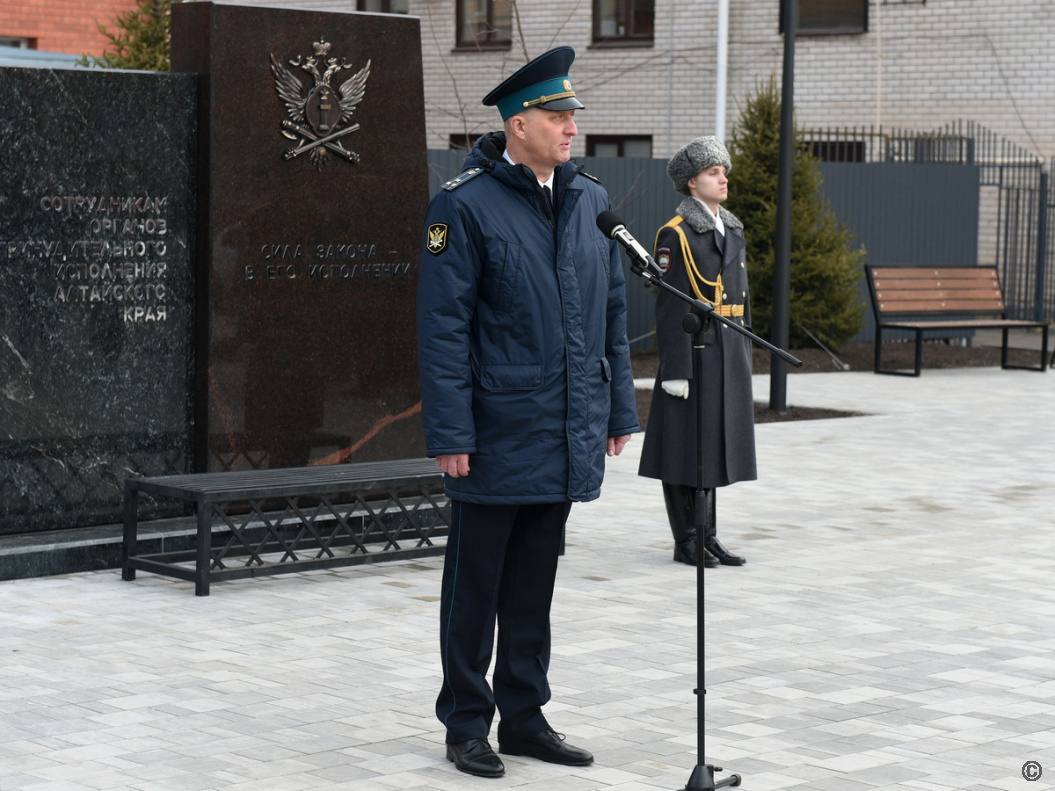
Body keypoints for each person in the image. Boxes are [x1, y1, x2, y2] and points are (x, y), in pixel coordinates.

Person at [415, 46, 639, 779]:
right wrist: (450, 431)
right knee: (474, 588)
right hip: (493, 431)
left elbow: (609, 314)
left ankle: (525, 714)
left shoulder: (587, 203)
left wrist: (616, 409)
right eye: (558, 115)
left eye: (572, 115)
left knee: (533, 585)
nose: (572, 127)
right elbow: (442, 327)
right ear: (518, 124)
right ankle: (466, 722)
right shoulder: (464, 204)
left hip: (562, 429)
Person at [638, 136, 753, 568]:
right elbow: (671, 305)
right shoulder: (677, 234)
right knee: (686, 447)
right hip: (696, 348)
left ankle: (708, 534)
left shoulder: (732, 226)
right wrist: (676, 368)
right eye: (712, 173)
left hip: (729, 344)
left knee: (715, 444)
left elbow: (743, 295)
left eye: (723, 171)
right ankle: (686, 538)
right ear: (691, 184)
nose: (722, 178)